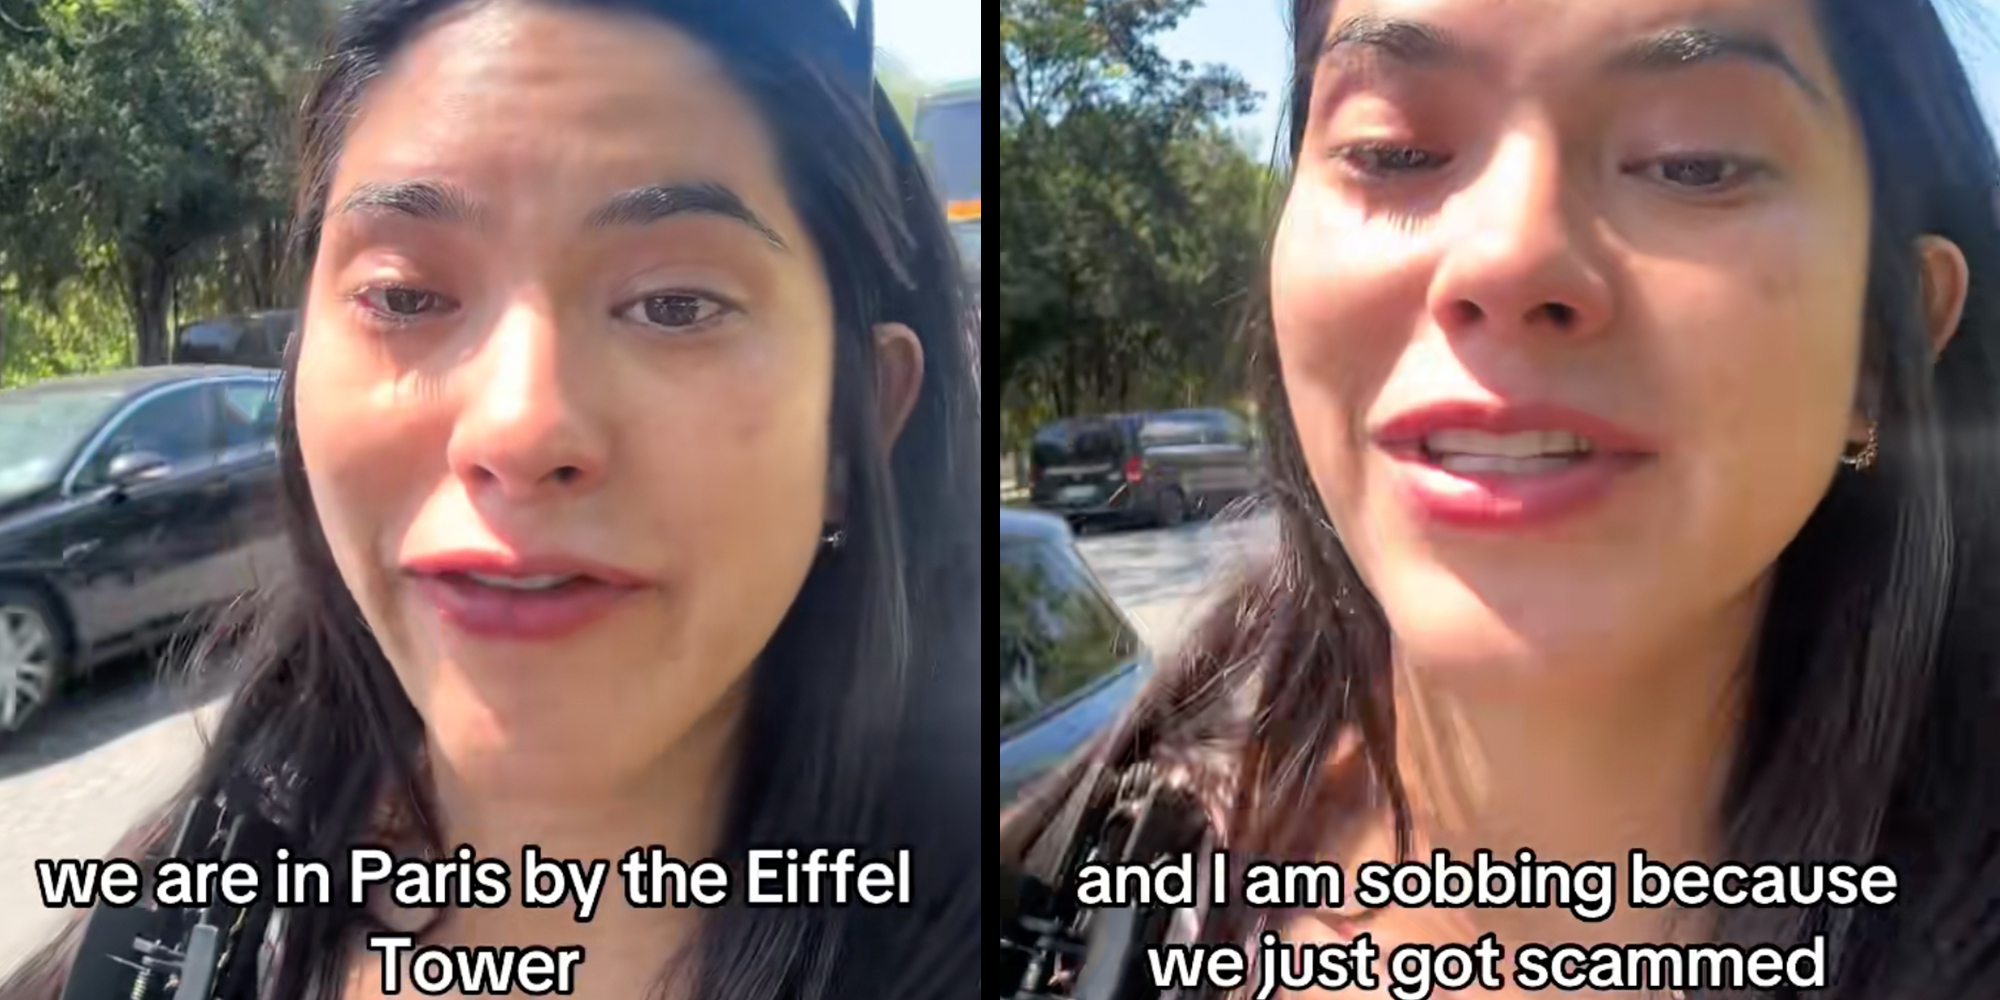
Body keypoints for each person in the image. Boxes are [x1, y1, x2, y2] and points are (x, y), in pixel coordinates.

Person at [1001, 0, 2000, 997]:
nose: (1507, 255)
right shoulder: (1060, 902)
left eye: (1691, 160)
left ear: (1885, 339)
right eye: (1391, 151)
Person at [2, 0, 980, 998]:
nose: (517, 431)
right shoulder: (155, 940)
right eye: (405, 297)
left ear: (860, 422)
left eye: (675, 305)